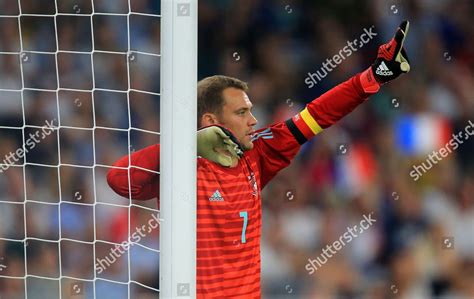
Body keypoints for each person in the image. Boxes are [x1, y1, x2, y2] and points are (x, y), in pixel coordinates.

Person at [107, 21, 411, 298]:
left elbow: (318, 114)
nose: (253, 120)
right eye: (241, 113)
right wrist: (186, 145)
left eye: (250, 109)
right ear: (211, 120)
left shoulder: (258, 152)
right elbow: (118, 180)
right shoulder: (180, 166)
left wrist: (373, 76)